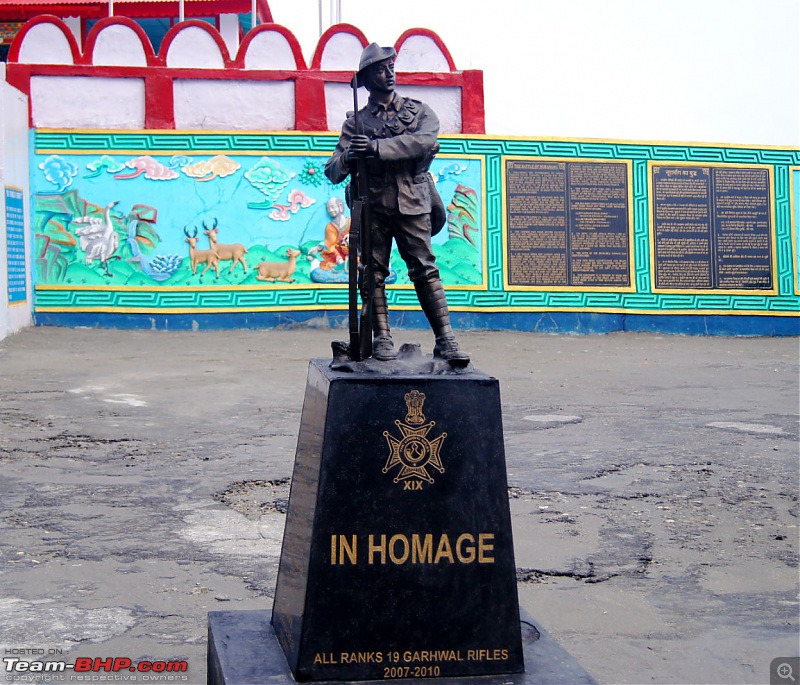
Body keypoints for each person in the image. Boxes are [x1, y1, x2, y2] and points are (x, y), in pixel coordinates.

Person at [324, 43, 469, 365]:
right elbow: (332, 171)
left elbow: (424, 141)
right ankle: (382, 338)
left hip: (413, 202)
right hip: (373, 205)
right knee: (372, 272)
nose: (388, 73)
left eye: (391, 67)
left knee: (425, 270)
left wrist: (376, 148)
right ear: (365, 78)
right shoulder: (355, 124)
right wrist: (350, 155)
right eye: (379, 69)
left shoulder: (419, 112)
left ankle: (446, 339)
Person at [309, 197, 350, 272]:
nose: (330, 210)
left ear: (340, 207)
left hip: (350, 251)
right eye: (328, 208)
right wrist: (317, 248)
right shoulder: (330, 227)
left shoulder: (351, 223)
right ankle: (341, 264)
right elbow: (329, 243)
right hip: (336, 254)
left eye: (333, 207)